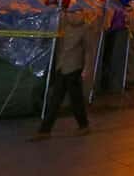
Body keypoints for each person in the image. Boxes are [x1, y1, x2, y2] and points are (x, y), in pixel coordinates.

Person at [32, 8, 92, 140]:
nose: (71, 16)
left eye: (73, 13)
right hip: (62, 67)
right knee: (56, 100)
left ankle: (83, 125)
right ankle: (45, 130)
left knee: (75, 100)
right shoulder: (62, 26)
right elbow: (51, 39)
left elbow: (88, 50)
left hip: (74, 68)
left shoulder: (84, 28)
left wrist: (87, 67)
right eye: (69, 13)